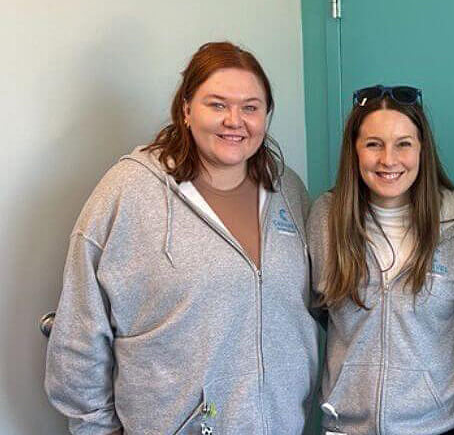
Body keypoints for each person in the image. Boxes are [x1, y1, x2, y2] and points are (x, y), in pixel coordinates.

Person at [44, 41, 319, 434]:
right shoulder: (130, 191)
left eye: (250, 107)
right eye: (218, 104)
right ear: (187, 109)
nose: (234, 120)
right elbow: (78, 332)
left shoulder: (287, 191)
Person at [307, 85, 454, 435]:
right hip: (347, 427)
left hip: (443, 425)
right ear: (354, 150)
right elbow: (320, 306)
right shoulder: (325, 219)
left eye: (403, 143)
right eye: (373, 144)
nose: (389, 160)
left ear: (422, 149)